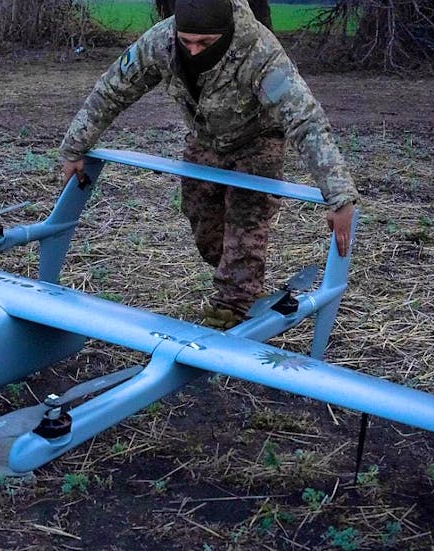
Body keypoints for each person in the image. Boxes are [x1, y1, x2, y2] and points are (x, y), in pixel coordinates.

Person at [58, 0, 359, 328]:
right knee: (203, 222)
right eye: (187, 41)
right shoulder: (161, 42)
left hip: (258, 140)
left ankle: (229, 309)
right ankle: (242, 281)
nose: (195, 50)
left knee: (246, 223)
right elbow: (113, 90)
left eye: (205, 43)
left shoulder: (261, 54)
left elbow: (305, 120)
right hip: (205, 139)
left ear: (226, 33)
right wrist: (75, 148)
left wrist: (339, 195)